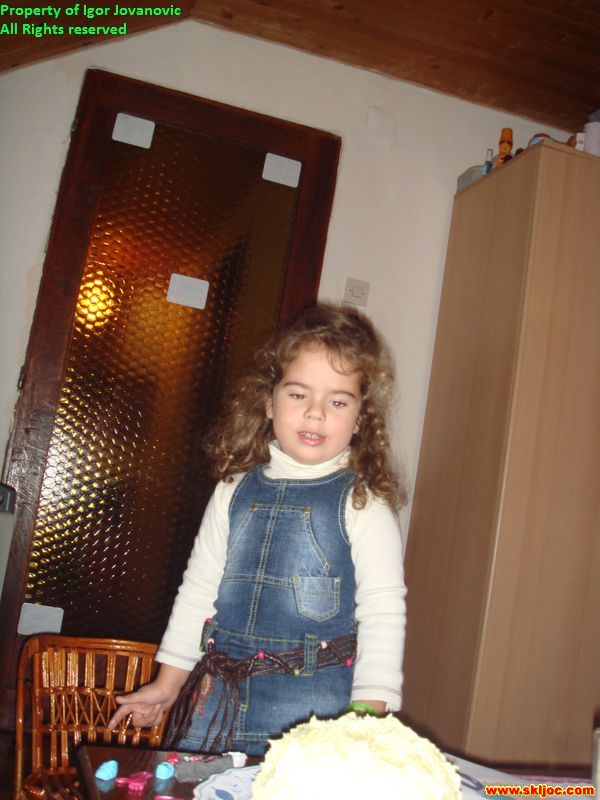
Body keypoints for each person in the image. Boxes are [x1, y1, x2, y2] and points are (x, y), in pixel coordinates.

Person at [108, 303, 407, 756]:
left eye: (338, 401)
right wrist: (168, 683)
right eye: (298, 395)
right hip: (216, 706)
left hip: (316, 718)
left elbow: (383, 613)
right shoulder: (233, 489)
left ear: (361, 417)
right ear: (268, 401)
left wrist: (366, 718)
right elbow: (198, 590)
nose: (315, 414)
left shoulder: (363, 502)